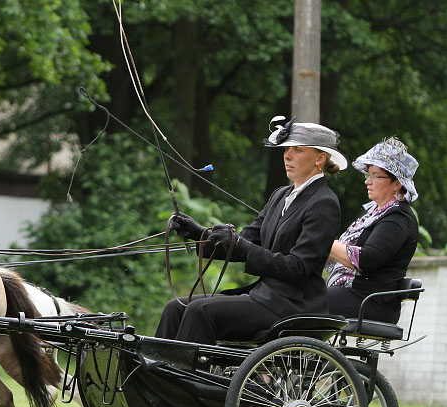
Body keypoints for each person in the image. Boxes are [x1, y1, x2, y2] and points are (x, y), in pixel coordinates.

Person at [155, 116, 345, 344]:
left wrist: (242, 246)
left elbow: (299, 267)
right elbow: (245, 241)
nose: (287, 155)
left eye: (298, 150)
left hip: (292, 305)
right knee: (175, 308)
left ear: (320, 158)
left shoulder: (324, 202)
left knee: (200, 311)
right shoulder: (280, 196)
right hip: (265, 297)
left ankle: (182, 378)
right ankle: (152, 375)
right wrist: (200, 234)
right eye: (286, 149)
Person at [326, 137, 419, 324]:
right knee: (293, 294)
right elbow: (337, 254)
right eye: (368, 175)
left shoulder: (398, 218)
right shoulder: (373, 213)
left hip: (371, 302)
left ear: (397, 183)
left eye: (376, 176)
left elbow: (368, 259)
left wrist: (323, 242)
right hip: (353, 294)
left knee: (301, 302)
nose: (368, 181)